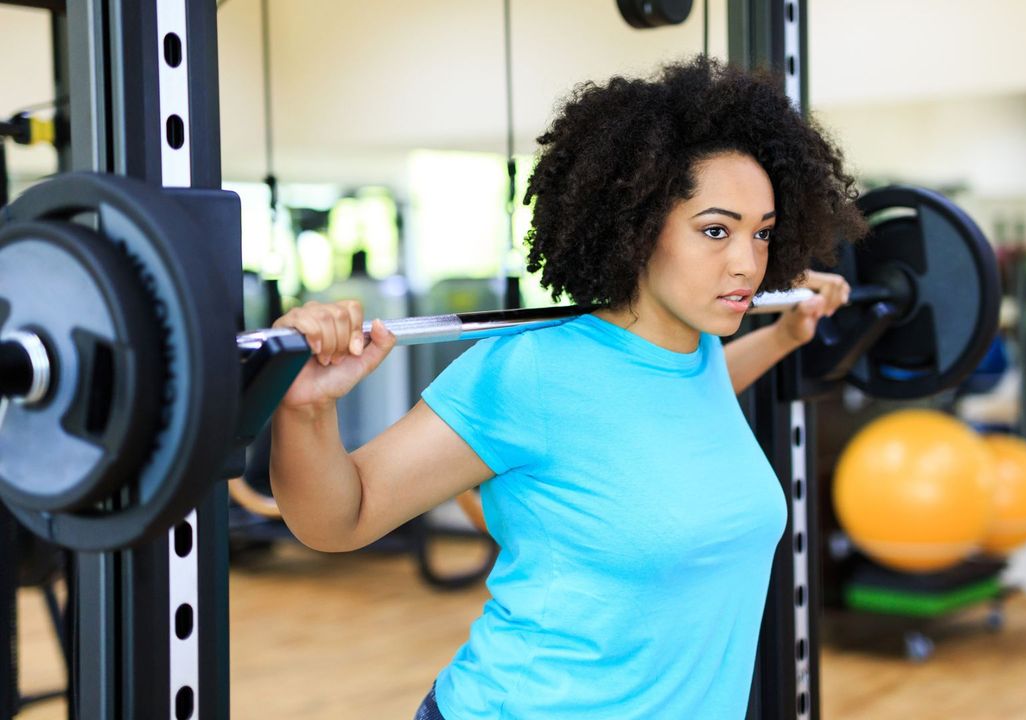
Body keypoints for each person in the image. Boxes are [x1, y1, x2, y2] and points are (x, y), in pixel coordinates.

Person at [269, 57, 865, 719]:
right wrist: (307, 408)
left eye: (762, 234)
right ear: (636, 222)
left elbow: (660, 420)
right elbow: (338, 519)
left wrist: (784, 336)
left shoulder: (693, 353)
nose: (747, 263)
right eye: (715, 231)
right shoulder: (530, 372)